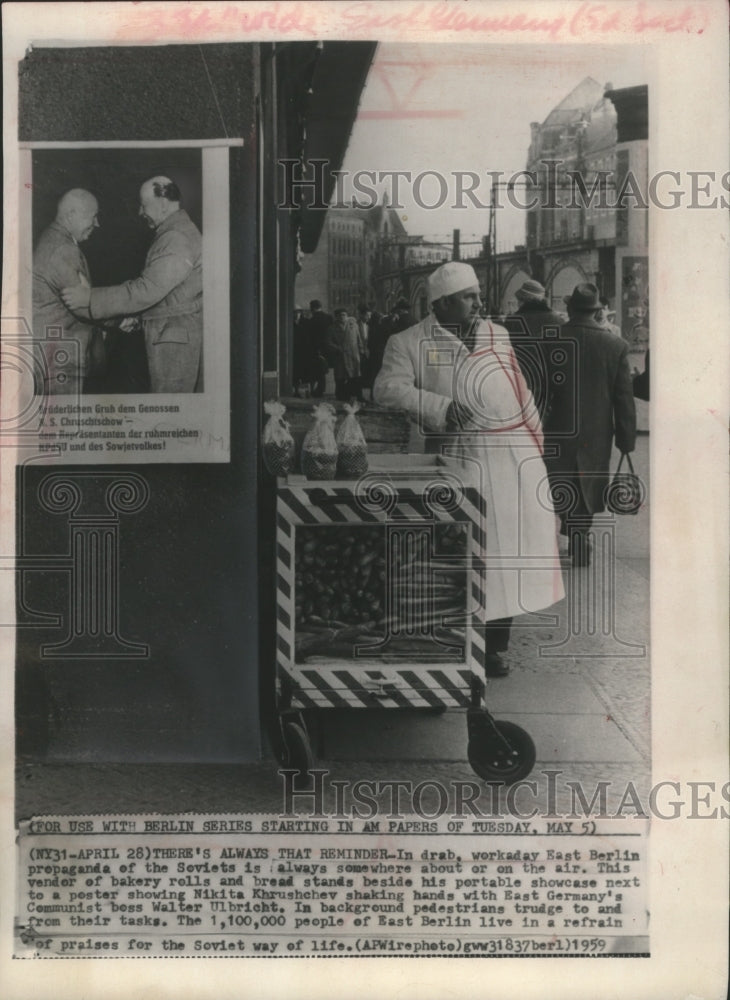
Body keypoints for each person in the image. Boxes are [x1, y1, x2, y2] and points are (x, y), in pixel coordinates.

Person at [374, 261, 564, 677]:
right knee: (459, 552)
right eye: (468, 296)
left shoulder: (497, 333)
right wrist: (441, 408)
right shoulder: (407, 341)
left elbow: (518, 386)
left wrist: (535, 439)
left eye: (477, 294)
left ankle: (495, 646)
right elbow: (387, 389)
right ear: (441, 304)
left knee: (506, 551)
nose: (479, 302)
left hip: (510, 454)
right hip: (456, 459)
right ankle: (451, 644)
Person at [62, 176, 202, 393]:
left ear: (163, 204)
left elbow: (146, 290)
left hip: (175, 348)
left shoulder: (176, 237)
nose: (140, 212)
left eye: (144, 205)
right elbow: (168, 294)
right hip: (172, 339)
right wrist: (137, 317)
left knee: (171, 414)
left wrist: (90, 298)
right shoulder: (175, 233)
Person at [544, 283, 637, 567]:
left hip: (557, 428)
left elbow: (539, 390)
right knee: (588, 481)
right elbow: (624, 398)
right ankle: (579, 534)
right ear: (597, 312)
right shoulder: (616, 345)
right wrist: (626, 440)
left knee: (561, 480)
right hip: (596, 432)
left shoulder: (550, 340)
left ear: (570, 308)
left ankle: (570, 531)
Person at [32, 188, 106, 395]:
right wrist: (123, 320)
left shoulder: (51, 239)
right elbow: (82, 304)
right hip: (60, 359)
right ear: (71, 215)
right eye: (93, 216)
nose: (97, 224)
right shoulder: (63, 249)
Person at [505, 278, 564, 419]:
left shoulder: (513, 322)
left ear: (524, 300)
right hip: (551, 389)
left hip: (521, 389)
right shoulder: (558, 321)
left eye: (519, 300)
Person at [327, 307, 363, 401]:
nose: (342, 317)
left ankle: (358, 396)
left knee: (355, 376)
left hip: (353, 355)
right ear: (336, 317)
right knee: (340, 377)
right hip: (340, 356)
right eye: (340, 315)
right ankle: (341, 396)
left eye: (344, 315)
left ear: (347, 316)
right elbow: (329, 342)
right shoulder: (332, 328)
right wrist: (337, 348)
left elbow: (359, 338)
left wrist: (361, 349)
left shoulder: (353, 325)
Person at [305, 299, 333, 397]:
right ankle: (320, 389)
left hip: (315, 348)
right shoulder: (329, 318)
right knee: (323, 369)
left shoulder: (311, 320)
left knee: (315, 370)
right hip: (328, 347)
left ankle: (317, 390)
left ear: (312, 308)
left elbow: (309, 337)